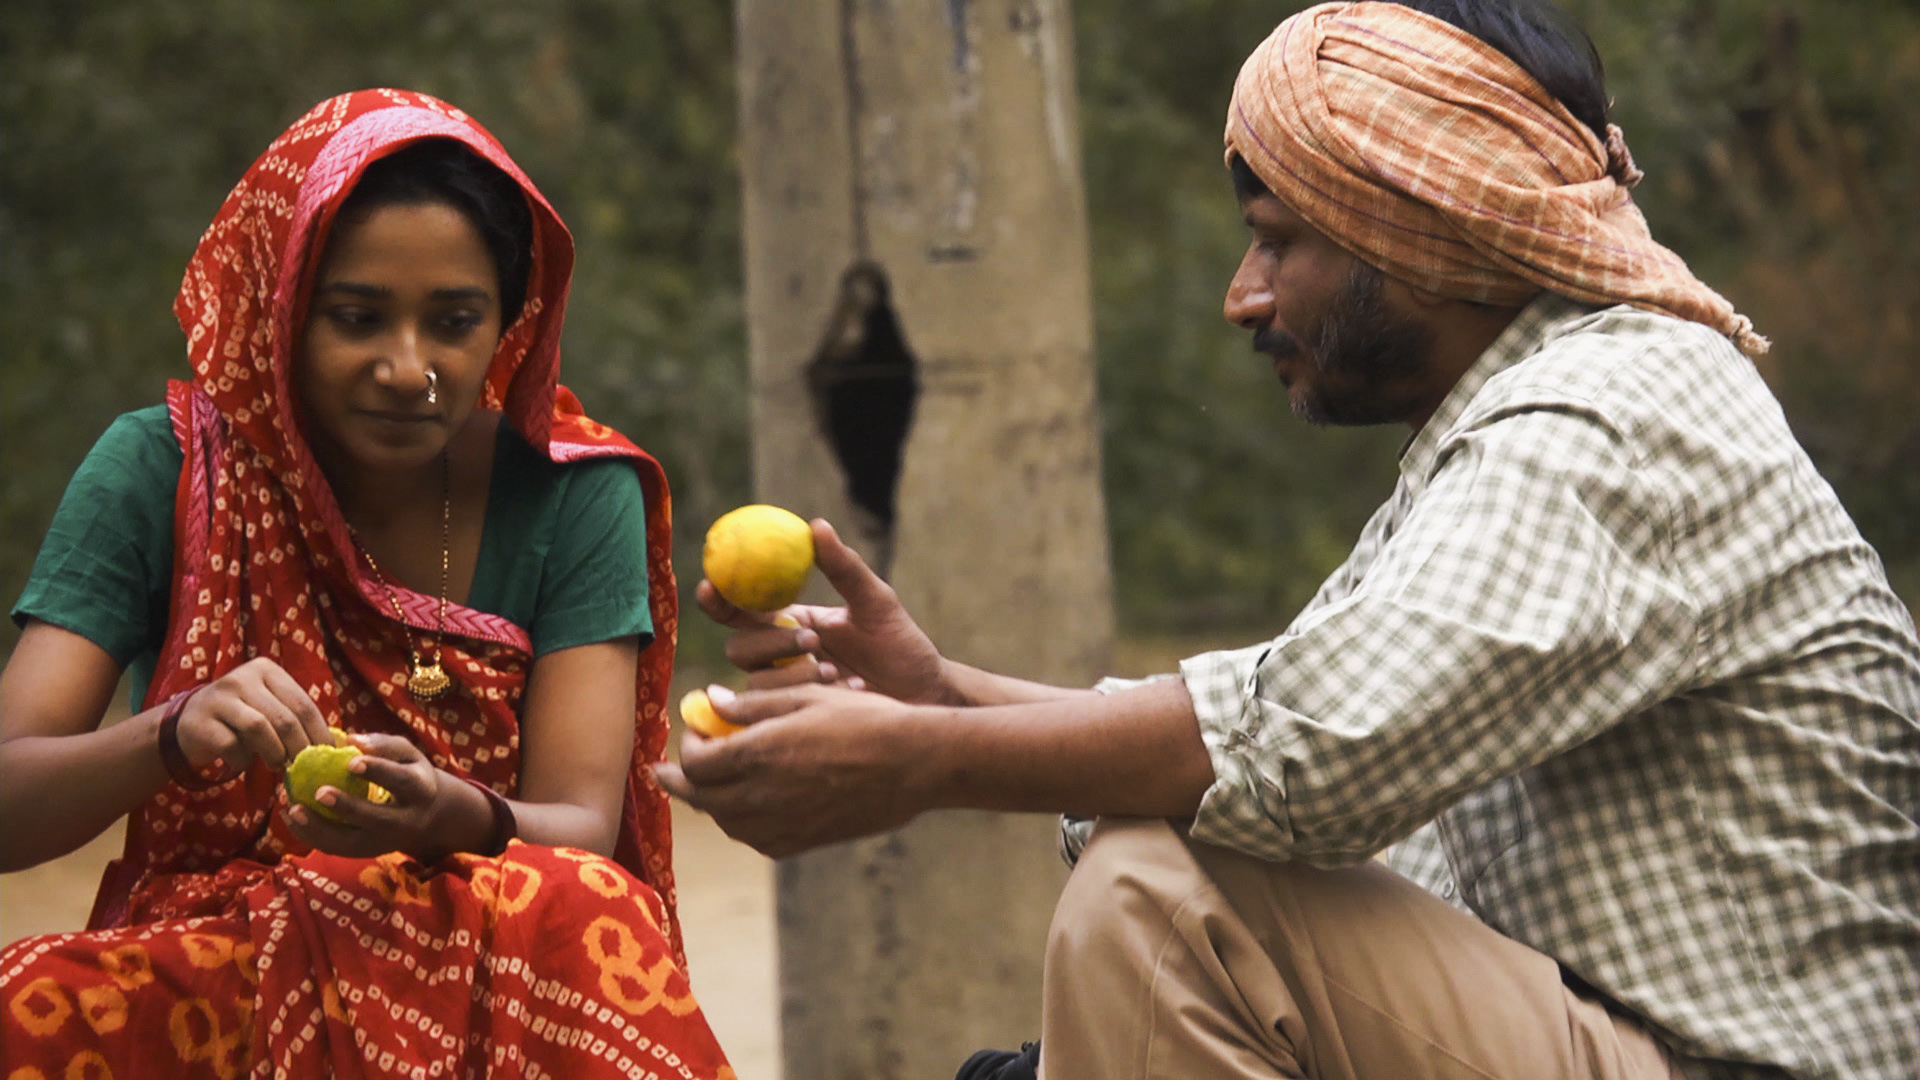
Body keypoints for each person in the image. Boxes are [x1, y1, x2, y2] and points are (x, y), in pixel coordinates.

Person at [658, 3, 1920, 1079]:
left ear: (1426, 223)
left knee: (1167, 907)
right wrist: (943, 696)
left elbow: (1295, 754)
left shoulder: (1608, 417)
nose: (1243, 297)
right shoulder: (1514, 428)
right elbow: (1280, 743)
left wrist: (923, 756)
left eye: (1278, 239)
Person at [0, 90, 734, 1078]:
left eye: (454, 323)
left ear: (508, 324)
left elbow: (579, 828)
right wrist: (172, 733)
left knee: (584, 904)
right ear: (282, 307)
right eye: (356, 318)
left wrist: (452, 815)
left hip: (489, 953)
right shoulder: (164, 468)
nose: (408, 368)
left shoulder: (575, 491)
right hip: (225, 966)